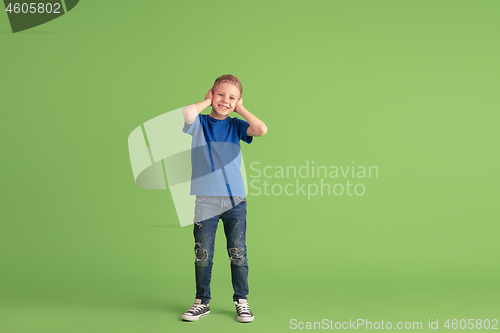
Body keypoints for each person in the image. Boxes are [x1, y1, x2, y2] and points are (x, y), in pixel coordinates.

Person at [180, 75, 267, 323]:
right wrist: (206, 101)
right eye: (220, 95)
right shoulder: (201, 123)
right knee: (202, 253)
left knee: (238, 253)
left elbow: (261, 129)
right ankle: (201, 301)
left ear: (238, 101)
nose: (224, 101)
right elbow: (187, 113)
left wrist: (239, 106)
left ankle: (241, 300)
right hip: (205, 200)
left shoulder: (236, 125)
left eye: (231, 97)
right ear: (211, 94)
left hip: (234, 201)